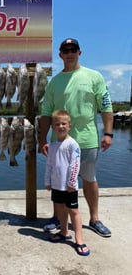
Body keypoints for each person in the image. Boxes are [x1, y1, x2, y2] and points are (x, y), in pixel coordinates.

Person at [39, 38, 113, 237]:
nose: (69, 53)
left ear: (79, 52)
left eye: (73, 49)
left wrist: (107, 133)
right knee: (58, 181)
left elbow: (106, 106)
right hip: (59, 142)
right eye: (65, 50)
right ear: (60, 54)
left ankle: (95, 219)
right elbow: (46, 113)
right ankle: (57, 217)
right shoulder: (54, 82)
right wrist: (42, 139)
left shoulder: (94, 76)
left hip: (87, 139)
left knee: (89, 179)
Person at [45, 110, 90, 256]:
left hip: (69, 187)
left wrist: (72, 182)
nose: (61, 126)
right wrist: (48, 181)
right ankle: (64, 232)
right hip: (57, 186)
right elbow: (49, 165)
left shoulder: (72, 145)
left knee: (73, 212)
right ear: (52, 127)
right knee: (61, 211)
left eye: (64, 123)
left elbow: (75, 165)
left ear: (69, 126)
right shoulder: (52, 146)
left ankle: (79, 239)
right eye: (57, 124)